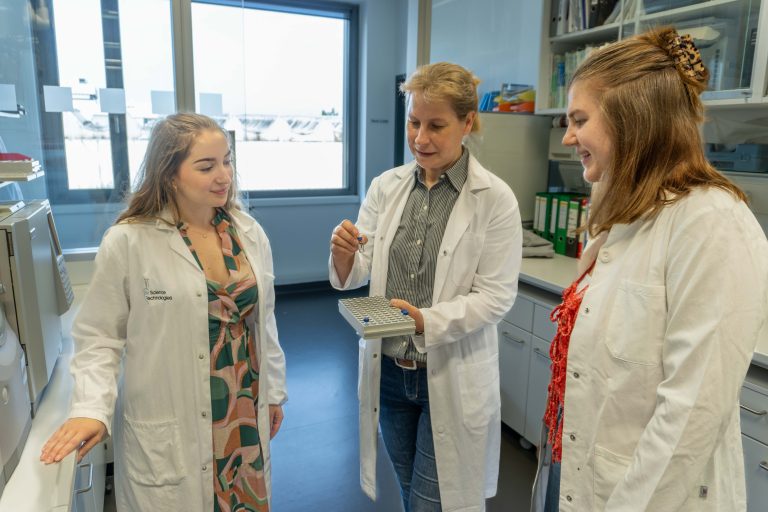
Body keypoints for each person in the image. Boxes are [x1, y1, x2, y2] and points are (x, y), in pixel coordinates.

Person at [531, 27, 768, 512]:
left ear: (631, 118)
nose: (569, 135)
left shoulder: (712, 223)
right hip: (582, 469)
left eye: (579, 119)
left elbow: (690, 416)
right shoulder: (626, 213)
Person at [40, 113, 288, 512]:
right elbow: (100, 337)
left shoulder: (247, 232)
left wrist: (273, 392)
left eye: (227, 161)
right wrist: (90, 409)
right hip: (172, 422)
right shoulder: (129, 241)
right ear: (169, 174)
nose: (223, 175)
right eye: (206, 166)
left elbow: (265, 321)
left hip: (241, 411)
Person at [330, 62, 522, 511]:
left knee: (433, 504)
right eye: (414, 122)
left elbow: (496, 297)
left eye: (436, 125)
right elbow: (361, 269)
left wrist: (424, 321)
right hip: (391, 375)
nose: (420, 138)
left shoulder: (494, 199)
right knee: (412, 495)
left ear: (467, 123)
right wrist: (344, 256)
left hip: (450, 374)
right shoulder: (387, 187)